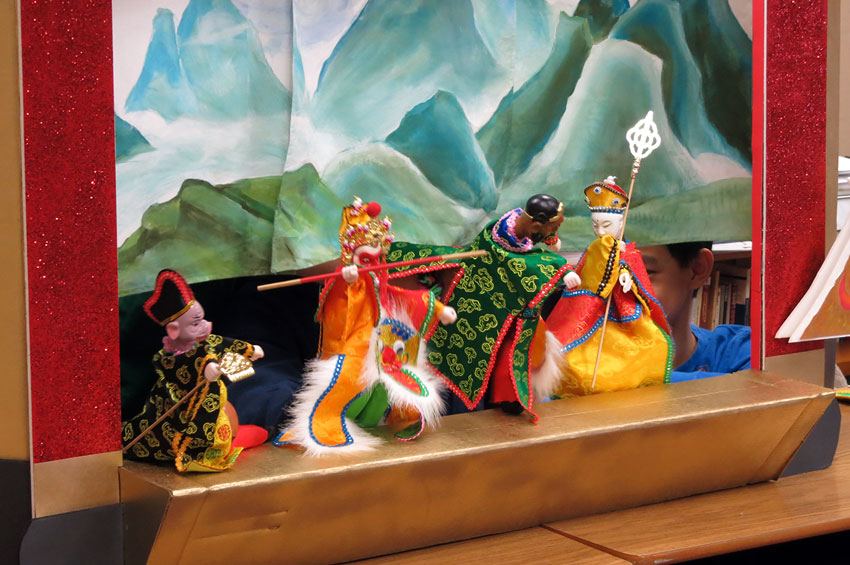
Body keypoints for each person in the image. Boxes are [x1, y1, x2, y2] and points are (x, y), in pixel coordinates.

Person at [388, 194, 579, 419]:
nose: (552, 235)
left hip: (498, 313)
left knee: (498, 362)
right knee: (463, 362)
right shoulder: (499, 241)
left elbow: (531, 251)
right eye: (550, 230)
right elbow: (520, 265)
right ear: (536, 225)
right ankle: (459, 417)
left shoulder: (522, 225)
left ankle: (497, 405)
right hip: (471, 307)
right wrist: (560, 268)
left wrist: (550, 239)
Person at [545, 177, 673, 396]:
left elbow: (632, 267)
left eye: (606, 225)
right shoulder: (595, 249)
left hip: (623, 308)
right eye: (595, 225)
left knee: (642, 345)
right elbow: (587, 274)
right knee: (581, 351)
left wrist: (626, 276)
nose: (601, 232)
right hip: (593, 309)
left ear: (621, 224)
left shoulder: (628, 251)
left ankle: (632, 375)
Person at [637, 242, 751, 381]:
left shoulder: (739, 352)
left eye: (644, 271)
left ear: (697, 270)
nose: (619, 290)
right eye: (613, 273)